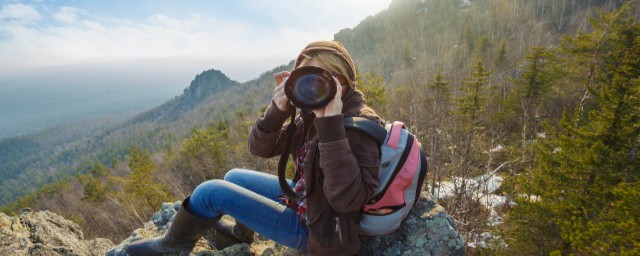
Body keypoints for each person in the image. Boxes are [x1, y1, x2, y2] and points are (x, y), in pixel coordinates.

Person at [126, 40, 382, 255]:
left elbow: (348, 200)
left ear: (345, 81)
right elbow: (259, 149)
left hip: (320, 229)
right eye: (308, 79)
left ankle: (171, 246)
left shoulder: (359, 125)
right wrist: (277, 110)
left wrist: (331, 125)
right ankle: (240, 234)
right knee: (233, 176)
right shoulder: (310, 113)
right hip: (309, 198)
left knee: (209, 192)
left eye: (327, 79)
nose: (316, 88)